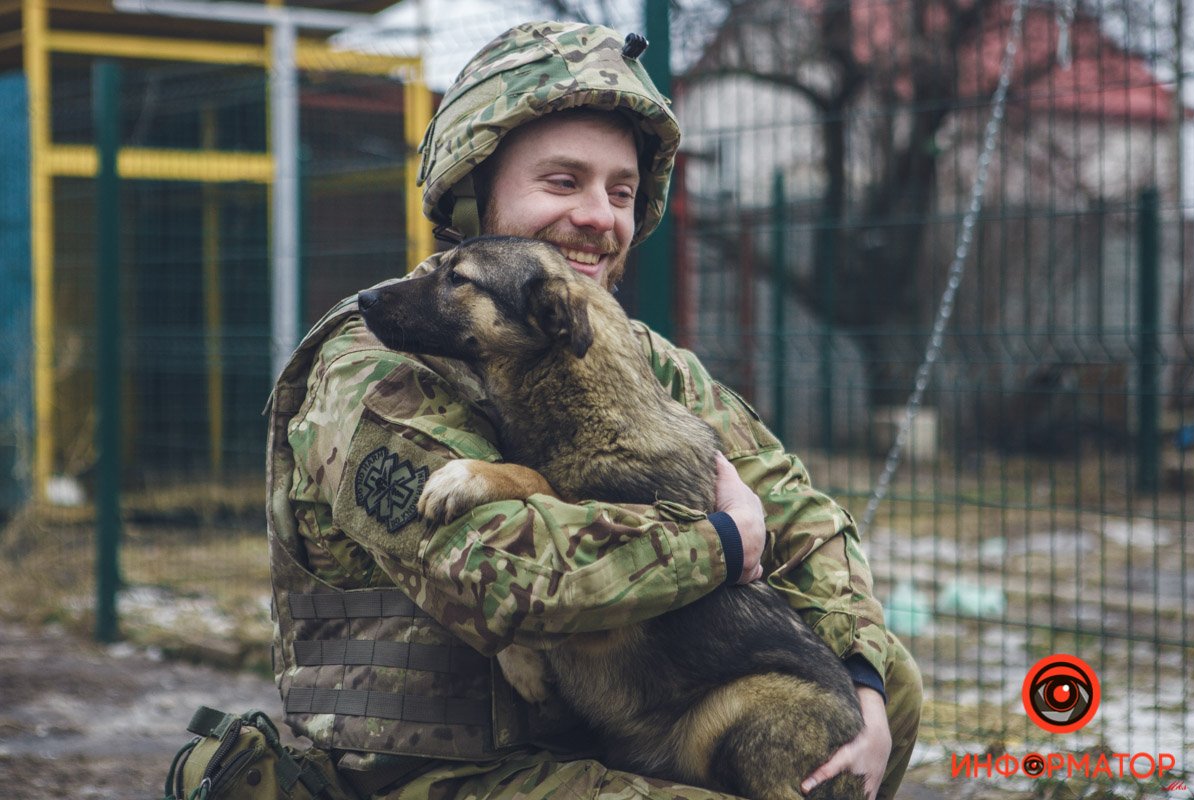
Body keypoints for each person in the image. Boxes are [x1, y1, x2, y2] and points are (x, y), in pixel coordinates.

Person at [266, 20, 922, 800]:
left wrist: (864, 681)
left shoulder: (638, 360)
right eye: (562, 181)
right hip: (446, 769)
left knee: (889, 692)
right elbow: (496, 570)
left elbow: (804, 520)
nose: (599, 216)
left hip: (613, 733)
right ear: (476, 190)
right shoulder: (377, 366)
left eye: (621, 192)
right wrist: (718, 541)